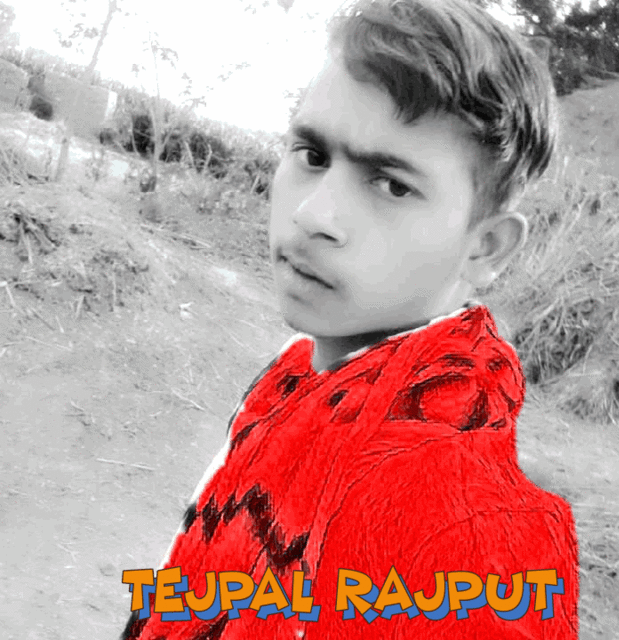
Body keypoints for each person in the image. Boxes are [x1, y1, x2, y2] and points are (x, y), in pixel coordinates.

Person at [121, 0, 579, 637]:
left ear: (485, 248)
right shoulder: (300, 370)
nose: (312, 214)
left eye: (391, 185)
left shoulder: (464, 526)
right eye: (312, 154)